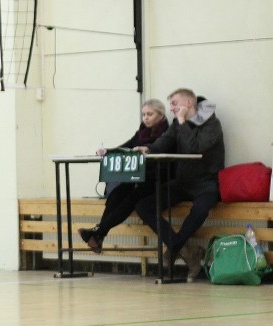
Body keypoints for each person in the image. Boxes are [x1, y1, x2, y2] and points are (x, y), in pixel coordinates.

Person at [133, 88, 224, 280]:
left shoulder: (212, 125)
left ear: (189, 103)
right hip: (183, 182)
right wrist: (148, 149)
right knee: (143, 206)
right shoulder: (177, 124)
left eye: (175, 104)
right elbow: (164, 143)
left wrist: (182, 122)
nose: (172, 108)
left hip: (206, 183)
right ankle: (186, 250)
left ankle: (173, 249)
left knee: (200, 210)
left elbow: (194, 149)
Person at [79, 99, 170, 253]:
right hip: (139, 176)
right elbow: (125, 147)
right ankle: (99, 235)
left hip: (157, 179)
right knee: (116, 193)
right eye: (144, 114)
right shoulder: (142, 131)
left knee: (131, 198)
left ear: (161, 115)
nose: (146, 118)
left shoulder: (167, 133)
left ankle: (98, 232)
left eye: (150, 114)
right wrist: (107, 151)